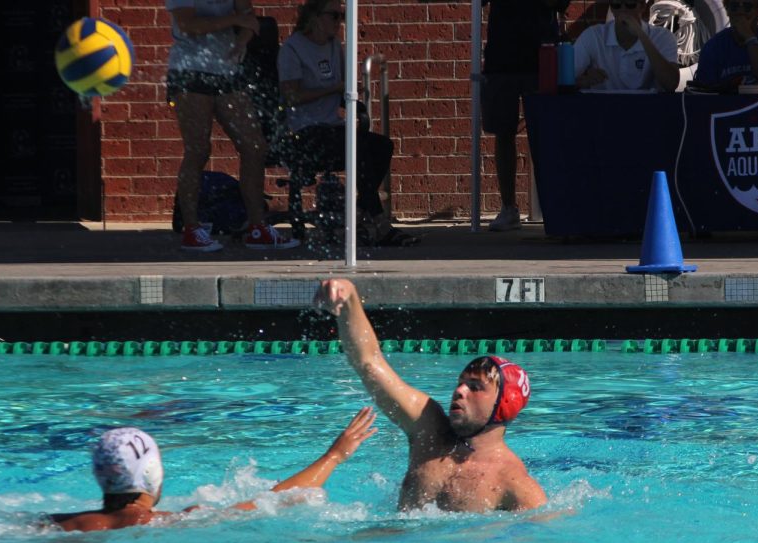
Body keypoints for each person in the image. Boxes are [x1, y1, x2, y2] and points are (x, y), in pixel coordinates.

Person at [314, 279, 547, 512]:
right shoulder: (430, 429)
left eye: (475, 387)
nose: (459, 391)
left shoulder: (515, 485)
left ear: (504, 405)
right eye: (460, 383)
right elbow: (369, 363)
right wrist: (350, 299)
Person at [49, 407, 376, 532]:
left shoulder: (56, 523)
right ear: (152, 474)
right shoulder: (170, 522)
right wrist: (334, 457)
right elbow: (273, 500)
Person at [277, 0, 417, 247]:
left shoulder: (333, 46)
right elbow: (291, 96)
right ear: (315, 17)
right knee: (357, 147)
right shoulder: (293, 49)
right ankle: (379, 222)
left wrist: (351, 91)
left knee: (382, 146)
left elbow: (342, 87)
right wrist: (333, 89)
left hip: (333, 126)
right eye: (334, 15)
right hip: (305, 132)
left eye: (342, 15)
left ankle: (360, 212)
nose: (339, 21)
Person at [166, 0, 299, 251]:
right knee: (198, 149)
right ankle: (192, 228)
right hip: (189, 71)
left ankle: (257, 227)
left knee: (255, 145)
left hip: (227, 71)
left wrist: (241, 41)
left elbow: (248, 18)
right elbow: (187, 25)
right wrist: (233, 21)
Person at [481, 0, 571, 232]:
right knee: (503, 132)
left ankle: (554, 205)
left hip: (541, 54)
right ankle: (508, 207)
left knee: (545, 134)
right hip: (501, 56)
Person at [573, 0, 680, 92]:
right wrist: (583, 81)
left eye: (630, 4)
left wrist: (641, 34)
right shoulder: (593, 36)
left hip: (647, 109)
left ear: (642, 6)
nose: (623, 10)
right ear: (612, 9)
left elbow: (671, 84)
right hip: (605, 108)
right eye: (617, 5)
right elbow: (563, 81)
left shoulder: (662, 37)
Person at [693, 0, 758, 89]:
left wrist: (750, 38)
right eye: (734, 6)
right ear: (727, 11)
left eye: (747, 6)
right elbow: (703, 90)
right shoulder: (713, 47)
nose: (740, 11)